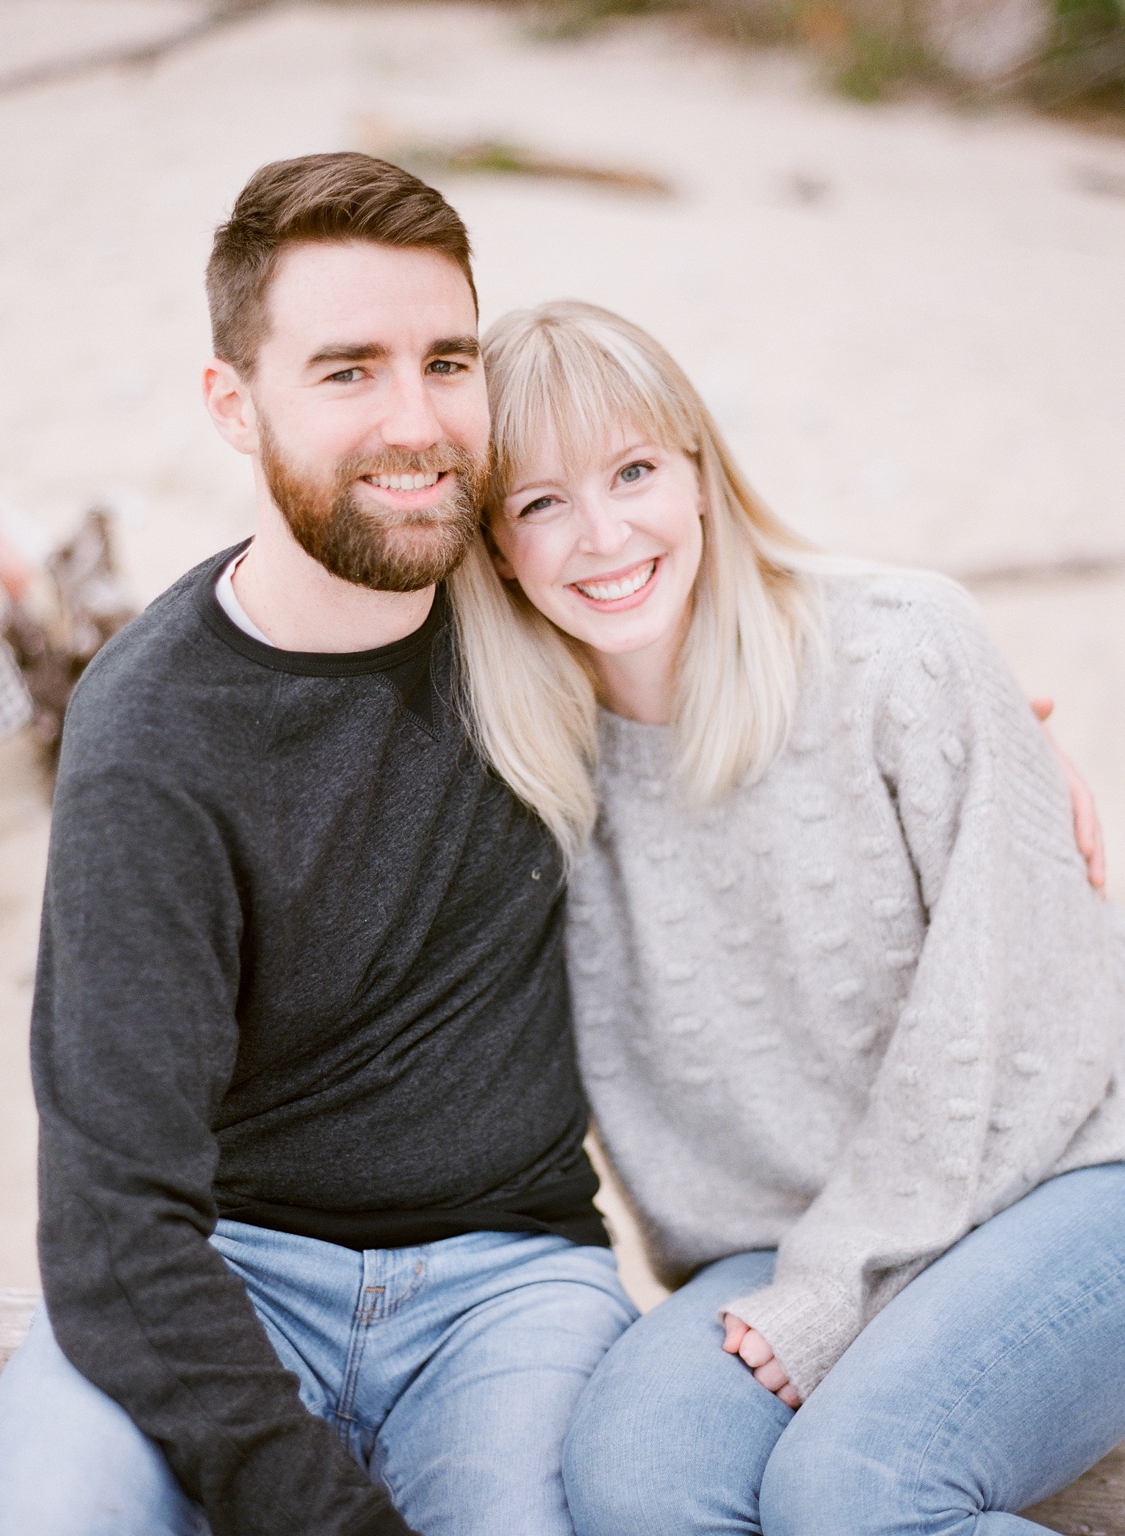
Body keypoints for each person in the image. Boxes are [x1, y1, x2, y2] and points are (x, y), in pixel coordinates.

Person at [0, 162, 637, 1536]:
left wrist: (994, 724)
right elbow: (112, 1224)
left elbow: (758, 604)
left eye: (447, 361)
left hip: (506, 1287)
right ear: (234, 404)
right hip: (225, 1267)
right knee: (54, 1509)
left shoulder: (548, 604)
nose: (418, 424)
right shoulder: (152, 728)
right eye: (349, 371)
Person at [446, 299, 1125, 1534]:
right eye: (541, 502)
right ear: (494, 548)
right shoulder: (525, 782)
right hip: (780, 1242)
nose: (604, 534)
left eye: (634, 471)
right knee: (640, 1488)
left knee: (853, 1495)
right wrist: (818, 1280)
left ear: (701, 474)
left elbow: (1027, 1033)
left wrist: (838, 1288)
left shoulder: (901, 651)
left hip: (1071, 1176)